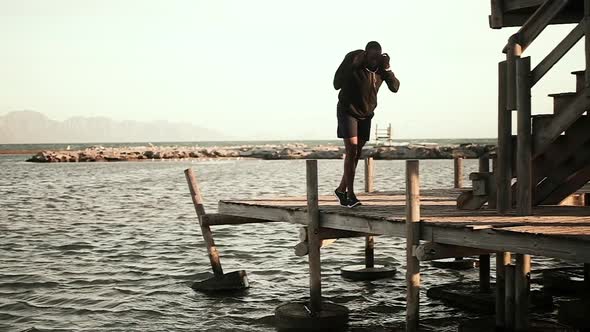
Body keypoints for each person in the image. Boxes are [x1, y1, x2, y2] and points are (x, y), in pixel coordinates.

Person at [333, 41, 400, 208]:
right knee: (352, 150)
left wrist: (388, 69)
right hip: (347, 110)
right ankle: (350, 195)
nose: (373, 61)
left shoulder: (381, 68)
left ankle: (341, 189)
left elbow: (395, 87)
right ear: (365, 54)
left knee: (356, 153)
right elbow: (336, 84)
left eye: (377, 58)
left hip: (366, 115)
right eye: (371, 57)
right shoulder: (353, 58)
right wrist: (353, 66)